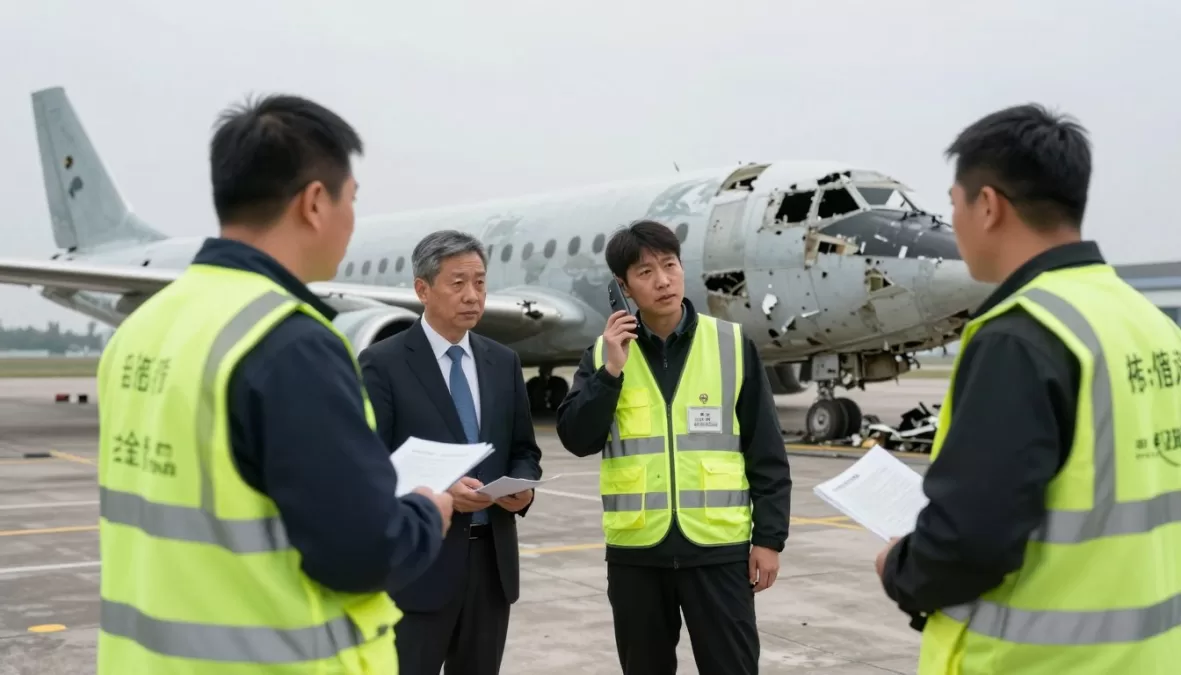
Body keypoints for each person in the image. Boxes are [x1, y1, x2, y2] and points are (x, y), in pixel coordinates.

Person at [92, 94, 453, 674]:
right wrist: (426, 513)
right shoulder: (286, 343)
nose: (351, 221)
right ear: (315, 203)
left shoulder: (141, 330)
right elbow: (363, 552)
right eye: (350, 200)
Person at [876, 103, 1181, 673]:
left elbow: (970, 542)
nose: (953, 224)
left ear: (987, 205)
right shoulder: (1149, 324)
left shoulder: (1022, 334)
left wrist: (900, 570)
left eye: (952, 204)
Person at [554, 219, 793, 675]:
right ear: (622, 287)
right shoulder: (603, 354)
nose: (662, 280)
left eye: (670, 265)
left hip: (718, 552)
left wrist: (769, 539)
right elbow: (577, 439)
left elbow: (766, 450)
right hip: (637, 556)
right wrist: (610, 374)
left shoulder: (733, 345)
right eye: (645, 273)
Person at [358, 229, 544, 675]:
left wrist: (523, 490)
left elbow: (524, 449)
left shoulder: (503, 362)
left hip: (491, 568)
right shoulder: (382, 363)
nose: (472, 295)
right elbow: (370, 462)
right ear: (422, 289)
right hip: (419, 564)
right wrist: (438, 490)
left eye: (479, 282)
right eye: (457, 283)